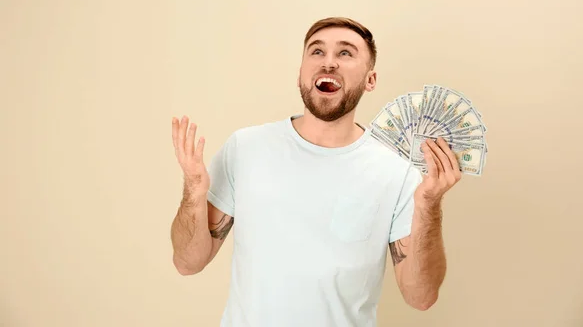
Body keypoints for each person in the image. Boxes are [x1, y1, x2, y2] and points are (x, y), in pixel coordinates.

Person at [170, 17, 462, 326]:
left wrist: (429, 205)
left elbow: (421, 297)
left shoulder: (397, 172)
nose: (329, 62)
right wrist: (194, 189)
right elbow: (188, 262)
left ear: (370, 80)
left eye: (346, 53)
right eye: (317, 51)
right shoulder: (245, 148)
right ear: (300, 73)